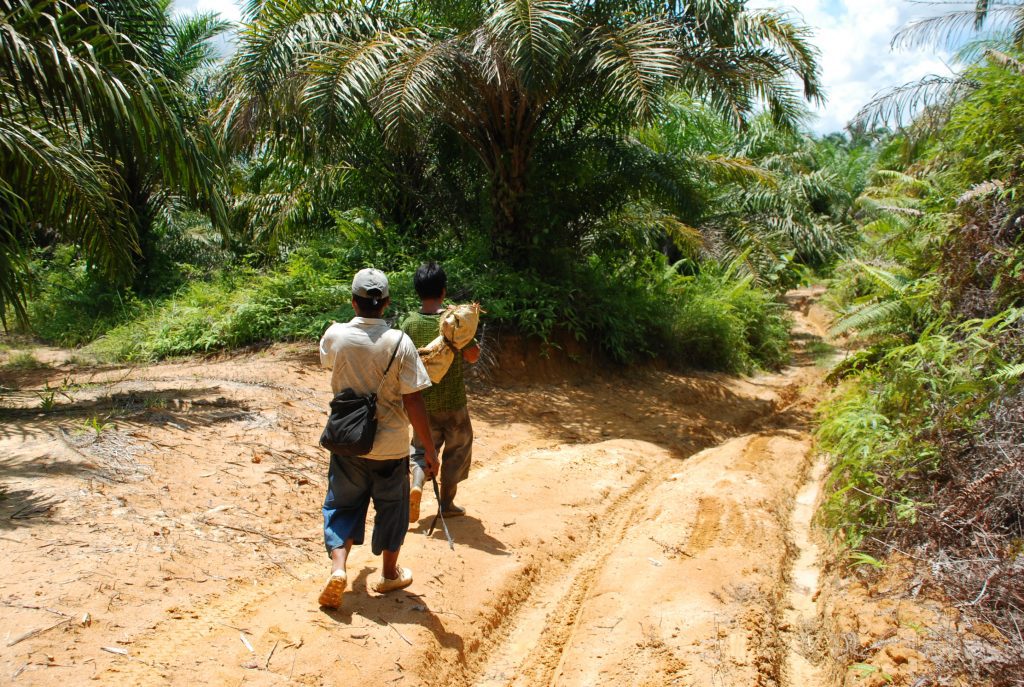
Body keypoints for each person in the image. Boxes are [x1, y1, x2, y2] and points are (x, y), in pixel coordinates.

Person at [317, 268, 440, 609]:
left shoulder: (335, 335)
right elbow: (413, 399)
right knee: (392, 508)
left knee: (342, 505)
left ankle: (339, 568)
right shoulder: (400, 342)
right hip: (390, 446)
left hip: (347, 441)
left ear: (353, 301)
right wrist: (429, 449)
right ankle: (388, 573)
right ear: (386, 303)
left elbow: (329, 363)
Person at [400, 262, 480, 522]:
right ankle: (447, 503)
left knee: (421, 449)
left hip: (421, 403)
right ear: (444, 292)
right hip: (454, 402)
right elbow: (472, 356)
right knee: (457, 451)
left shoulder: (409, 324)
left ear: (417, 291)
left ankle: (417, 485)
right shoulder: (454, 321)